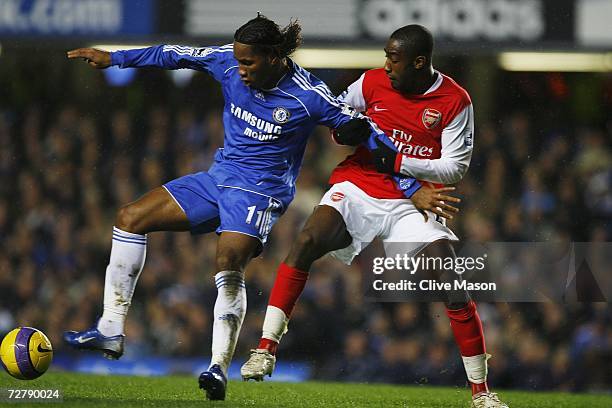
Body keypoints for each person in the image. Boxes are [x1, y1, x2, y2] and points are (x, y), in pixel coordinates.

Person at [62, 15, 445, 401]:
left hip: (260, 192)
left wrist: (410, 186)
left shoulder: (307, 94)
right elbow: (172, 54)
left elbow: (371, 136)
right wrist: (114, 60)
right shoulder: (226, 61)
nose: (241, 69)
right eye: (240, 61)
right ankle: (110, 328)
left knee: (228, 260)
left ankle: (216, 367)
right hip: (218, 178)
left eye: (249, 63)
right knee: (130, 218)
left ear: (274, 57)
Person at [240, 25, 509, 408]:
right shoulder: (370, 83)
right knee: (307, 240)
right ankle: (266, 348)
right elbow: (340, 120)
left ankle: (481, 392)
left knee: (452, 278)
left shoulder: (455, 101)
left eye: (393, 59)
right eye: (385, 56)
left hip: (412, 202)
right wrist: (344, 133)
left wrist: (399, 161)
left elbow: (454, 168)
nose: (386, 66)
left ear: (419, 62)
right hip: (359, 186)